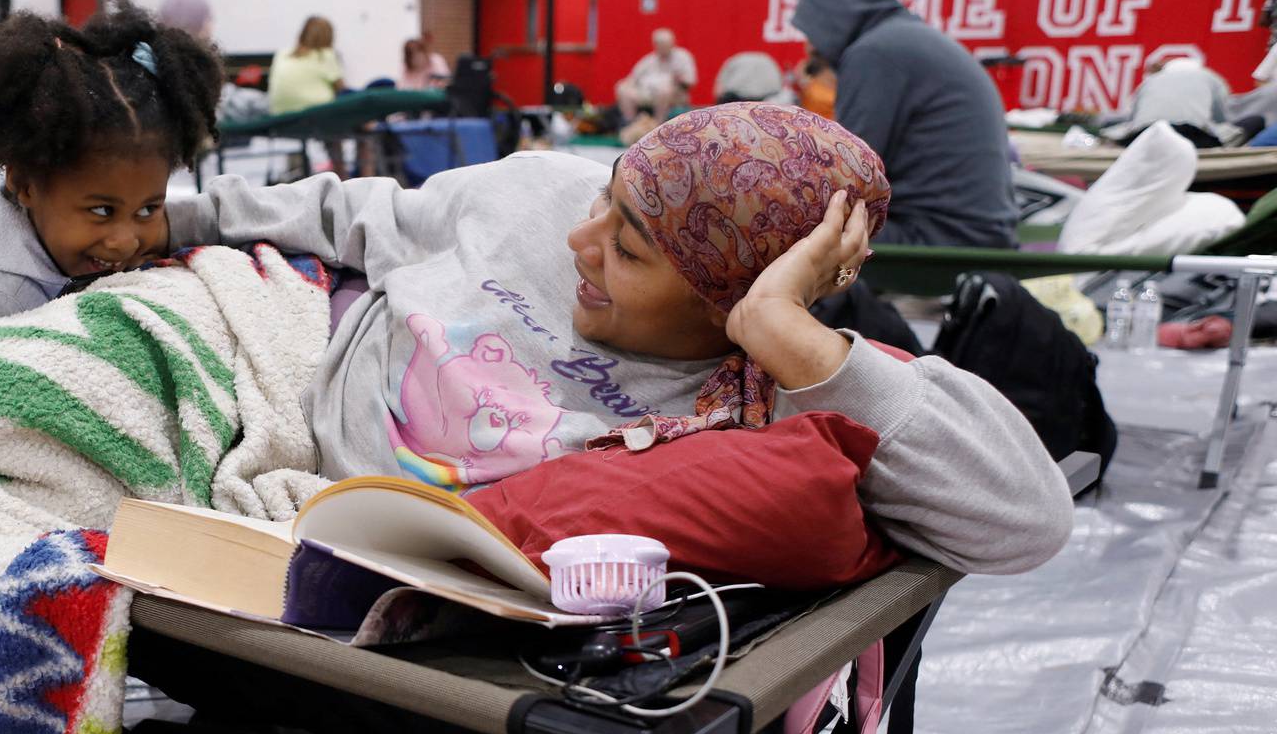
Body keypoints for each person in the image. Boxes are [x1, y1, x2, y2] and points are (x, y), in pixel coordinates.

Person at [162, 103, 1073, 573]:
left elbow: (1027, 523)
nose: (580, 240)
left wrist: (791, 340)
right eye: (608, 198)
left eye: (628, 248)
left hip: (350, 554)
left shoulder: (756, 404)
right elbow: (354, 212)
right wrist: (154, 219)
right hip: (266, 379)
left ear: (734, 304)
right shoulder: (545, 194)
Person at [0, 0, 223, 322]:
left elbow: (243, 209)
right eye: (101, 211)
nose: (125, 242)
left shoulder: (65, 213)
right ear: (25, 184)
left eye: (147, 209)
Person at [793, 0, 1015, 248]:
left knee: (783, 240)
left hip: (936, 241)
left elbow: (844, 176)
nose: (810, 47)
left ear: (834, 17)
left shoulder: (874, 54)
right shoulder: (907, 40)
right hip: (977, 236)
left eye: (813, 31)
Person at [615, 28, 697, 119]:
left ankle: (658, 125)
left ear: (672, 43)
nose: (663, 47)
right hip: (646, 92)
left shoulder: (683, 57)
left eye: (666, 44)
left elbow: (690, 81)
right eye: (660, 44)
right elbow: (632, 78)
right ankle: (630, 123)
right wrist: (626, 84)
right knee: (622, 88)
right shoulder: (649, 60)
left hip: (673, 93)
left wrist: (679, 80)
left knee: (665, 91)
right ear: (655, 45)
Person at [268, 16, 343, 115]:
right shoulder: (325, 55)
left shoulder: (282, 54)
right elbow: (341, 89)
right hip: (316, 115)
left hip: (279, 115)